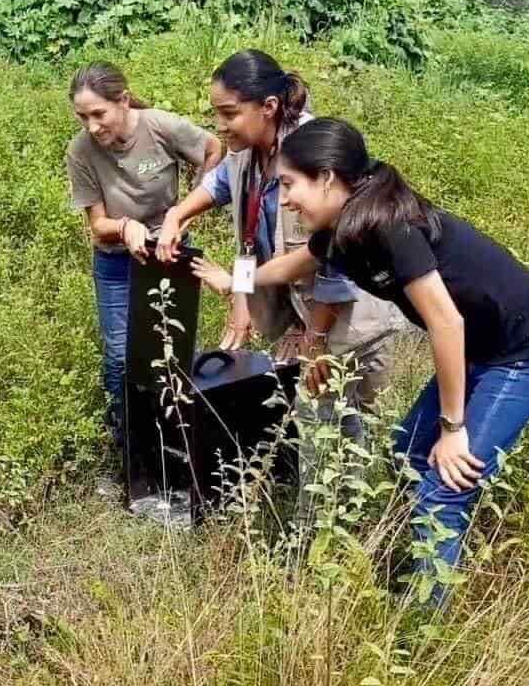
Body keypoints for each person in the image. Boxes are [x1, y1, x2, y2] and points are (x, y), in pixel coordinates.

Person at [192, 117, 529, 606]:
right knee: (408, 452)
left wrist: (453, 428)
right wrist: (234, 283)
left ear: (327, 178)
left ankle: (424, 623)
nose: (285, 199)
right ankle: (420, 565)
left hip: (525, 351)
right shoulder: (342, 227)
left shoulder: (389, 225)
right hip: (481, 347)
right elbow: (292, 264)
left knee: (445, 483)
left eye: (290, 185)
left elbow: (446, 324)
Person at [157, 50, 398, 527]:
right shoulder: (249, 151)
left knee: (337, 427)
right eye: (216, 114)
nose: (220, 126)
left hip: (342, 320)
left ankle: (326, 537)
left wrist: (315, 341)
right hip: (298, 311)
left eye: (229, 113)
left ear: (268, 106)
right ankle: (326, 518)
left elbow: (335, 259)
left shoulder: (314, 152)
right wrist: (176, 214)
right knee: (313, 423)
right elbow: (221, 183)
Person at [65, 61, 223, 459]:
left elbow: (212, 148)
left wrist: (186, 209)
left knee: (175, 347)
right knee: (120, 357)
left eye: (99, 114)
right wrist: (124, 228)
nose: (92, 126)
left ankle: (182, 442)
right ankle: (127, 446)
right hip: (116, 262)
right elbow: (98, 225)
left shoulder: (158, 126)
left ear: (122, 100)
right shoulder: (80, 151)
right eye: (82, 117)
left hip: (167, 252)